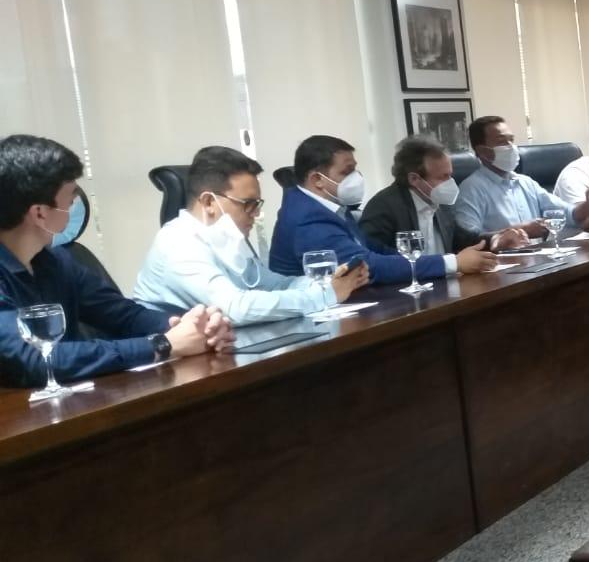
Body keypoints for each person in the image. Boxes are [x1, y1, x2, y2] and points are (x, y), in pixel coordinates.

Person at [0, 134, 232, 388]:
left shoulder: (56, 262)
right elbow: (33, 360)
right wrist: (162, 344)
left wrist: (194, 327)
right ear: (40, 213)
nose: (75, 204)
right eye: (70, 198)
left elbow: (123, 316)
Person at [133, 146, 370, 325]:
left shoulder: (225, 236)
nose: (256, 213)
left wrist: (328, 282)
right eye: (248, 204)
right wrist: (325, 295)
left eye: (257, 204)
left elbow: (274, 284)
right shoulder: (178, 243)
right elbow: (236, 308)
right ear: (208, 202)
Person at [268, 135, 496, 283]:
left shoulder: (331, 207)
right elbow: (366, 265)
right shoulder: (307, 217)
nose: (356, 178)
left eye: (355, 170)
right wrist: (452, 263)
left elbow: (376, 251)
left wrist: (427, 263)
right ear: (317, 179)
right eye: (346, 172)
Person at [361, 136, 530, 254]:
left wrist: (496, 239)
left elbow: (463, 240)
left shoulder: (441, 203)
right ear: (414, 179)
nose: (450, 183)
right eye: (443, 177)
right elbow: (377, 259)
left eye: (450, 175)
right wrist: (446, 264)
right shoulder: (384, 207)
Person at [454, 116, 589, 238]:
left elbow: (568, 215)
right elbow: (468, 239)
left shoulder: (525, 183)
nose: (511, 147)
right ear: (482, 151)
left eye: (511, 140)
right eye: (502, 141)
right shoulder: (471, 189)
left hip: (539, 257)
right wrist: (519, 231)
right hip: (502, 261)